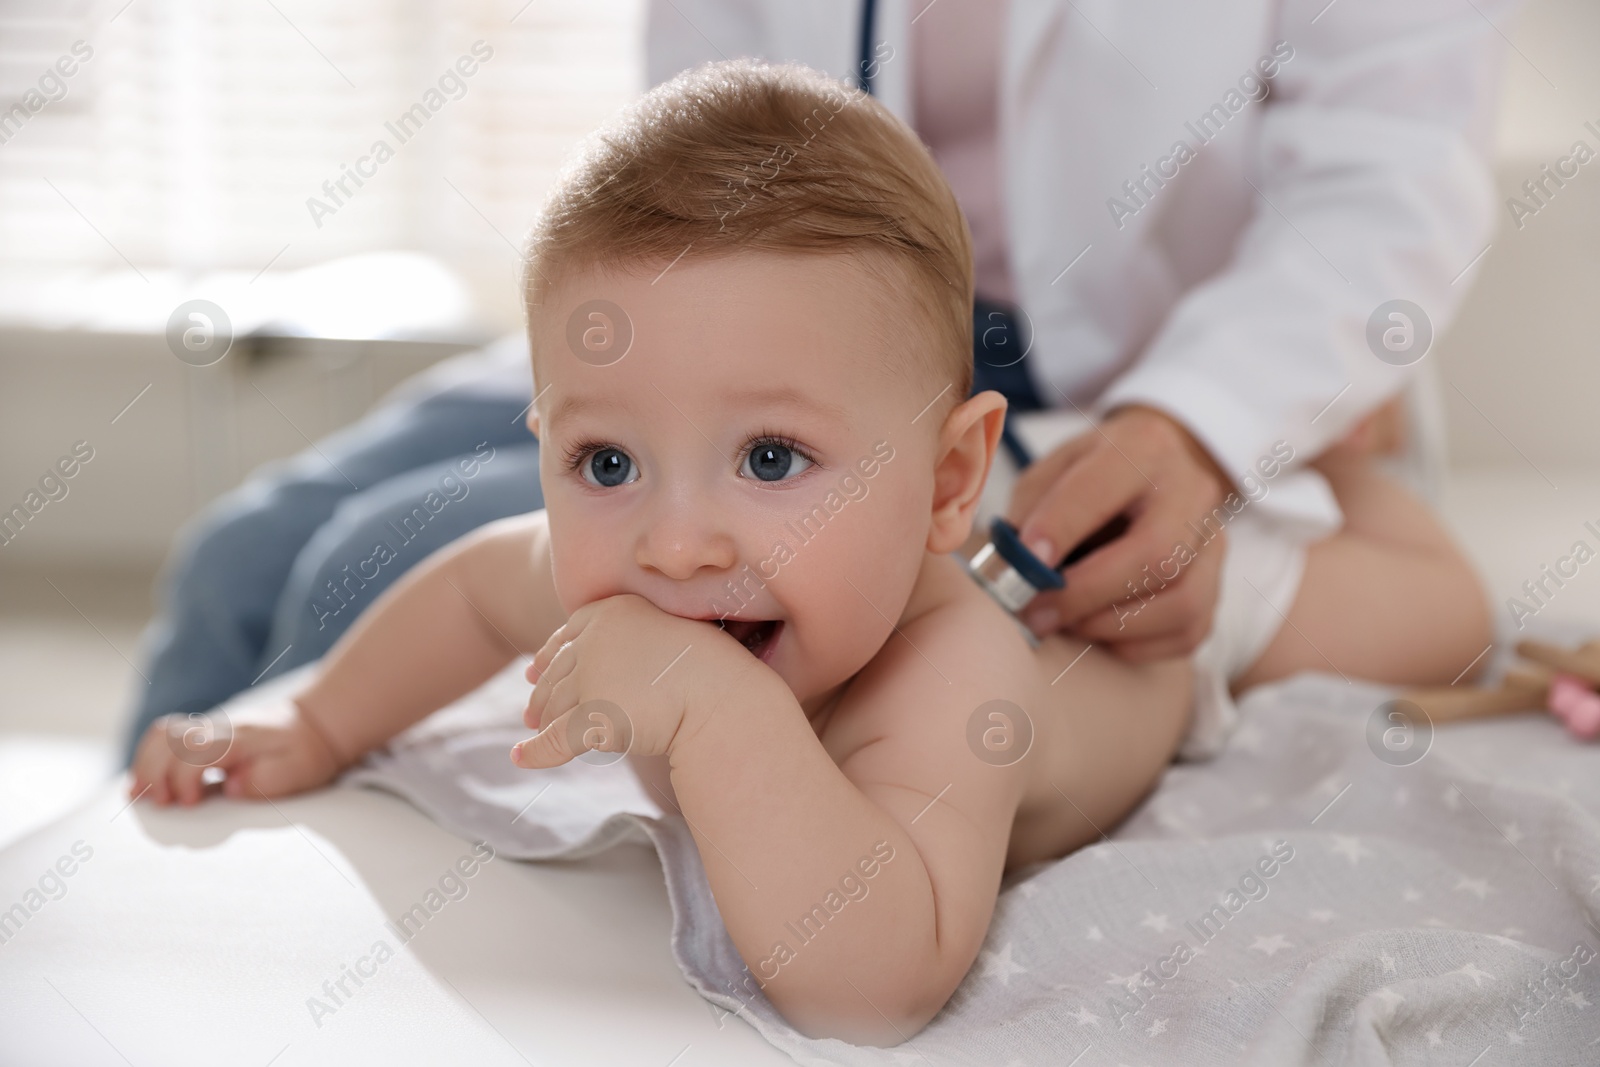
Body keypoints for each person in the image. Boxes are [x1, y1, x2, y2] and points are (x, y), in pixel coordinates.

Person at [121, 0, 1510, 760]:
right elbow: (689, 112)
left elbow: (1387, 180)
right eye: (588, 462)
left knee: (365, 563)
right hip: (724, 322)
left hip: (1136, 362)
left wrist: (1204, 426)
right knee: (243, 557)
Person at [126, 61, 1194, 1043]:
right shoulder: (638, 566)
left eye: (771, 458)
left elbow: (873, 987)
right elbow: (470, 593)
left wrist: (720, 712)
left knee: (1324, 592)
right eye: (606, 462)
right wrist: (310, 721)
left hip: (1124, 640)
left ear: (945, 481)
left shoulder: (952, 674)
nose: (674, 544)